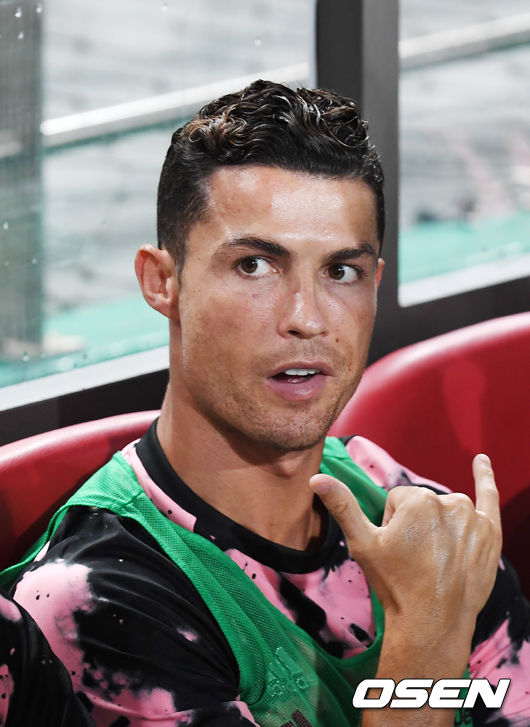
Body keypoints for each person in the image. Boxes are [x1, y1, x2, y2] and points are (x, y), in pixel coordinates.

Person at [1, 80, 529, 727]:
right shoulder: (97, 602)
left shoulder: (399, 499)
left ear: (375, 286)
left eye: (341, 271)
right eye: (255, 265)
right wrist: (428, 630)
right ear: (162, 282)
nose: (308, 317)